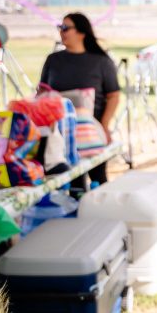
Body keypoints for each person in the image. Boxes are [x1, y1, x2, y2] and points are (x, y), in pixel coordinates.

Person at [39, 12, 120, 186]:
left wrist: (105, 125)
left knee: (99, 178)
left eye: (66, 28)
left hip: (92, 133)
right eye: (60, 27)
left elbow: (113, 95)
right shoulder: (53, 60)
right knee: (72, 182)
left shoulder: (102, 61)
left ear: (82, 33)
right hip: (60, 135)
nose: (61, 31)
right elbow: (42, 93)